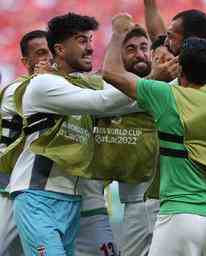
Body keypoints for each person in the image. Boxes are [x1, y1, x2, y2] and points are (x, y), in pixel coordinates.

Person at [102, 14, 206, 256]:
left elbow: (111, 73)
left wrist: (119, 32)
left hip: (178, 217)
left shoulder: (167, 96)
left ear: (180, 69)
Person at [8, 13, 137, 256]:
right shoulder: (43, 84)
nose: (90, 48)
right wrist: (152, 82)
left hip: (74, 200)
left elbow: (128, 103)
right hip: (38, 196)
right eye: (81, 41)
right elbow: (103, 102)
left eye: (90, 40)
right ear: (59, 49)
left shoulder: (84, 83)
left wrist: (166, 85)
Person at [0, 30, 52, 256]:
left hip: (34, 189)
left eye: (51, 52)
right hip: (6, 186)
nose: (48, 58)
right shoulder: (17, 89)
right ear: (24, 61)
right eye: (40, 53)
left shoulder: (53, 86)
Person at [118, 26, 159, 256]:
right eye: (131, 49)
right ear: (120, 55)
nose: (140, 54)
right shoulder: (107, 93)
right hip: (132, 201)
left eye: (144, 47)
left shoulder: (168, 87)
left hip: (167, 201)